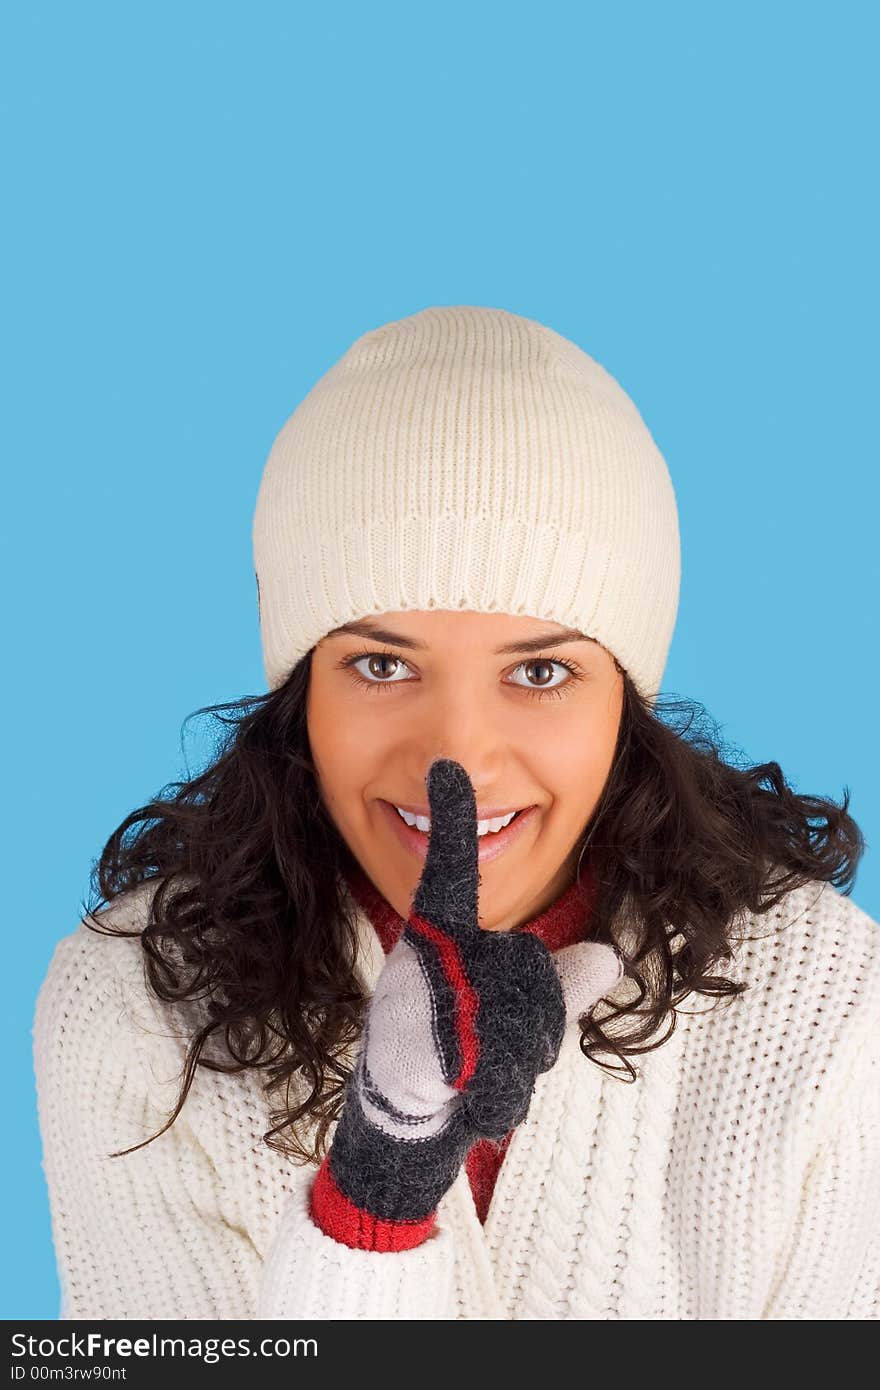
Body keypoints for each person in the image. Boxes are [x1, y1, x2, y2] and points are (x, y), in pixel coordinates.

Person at [33, 305, 879, 1320]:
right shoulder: (134, 1004)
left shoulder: (824, 996)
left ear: (626, 701)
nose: (458, 760)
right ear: (303, 691)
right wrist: (374, 1196)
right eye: (382, 664)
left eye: (539, 669)